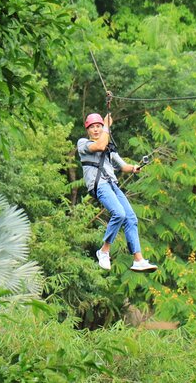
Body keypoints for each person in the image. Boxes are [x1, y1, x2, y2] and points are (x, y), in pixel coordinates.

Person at [77, 112, 158, 272]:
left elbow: (123, 166)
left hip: (112, 185)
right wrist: (107, 126)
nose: (96, 130)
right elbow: (98, 146)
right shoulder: (83, 143)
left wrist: (134, 167)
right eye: (92, 127)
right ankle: (104, 251)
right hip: (99, 185)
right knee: (119, 214)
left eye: (99, 126)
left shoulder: (109, 149)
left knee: (131, 218)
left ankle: (138, 260)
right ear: (88, 130)